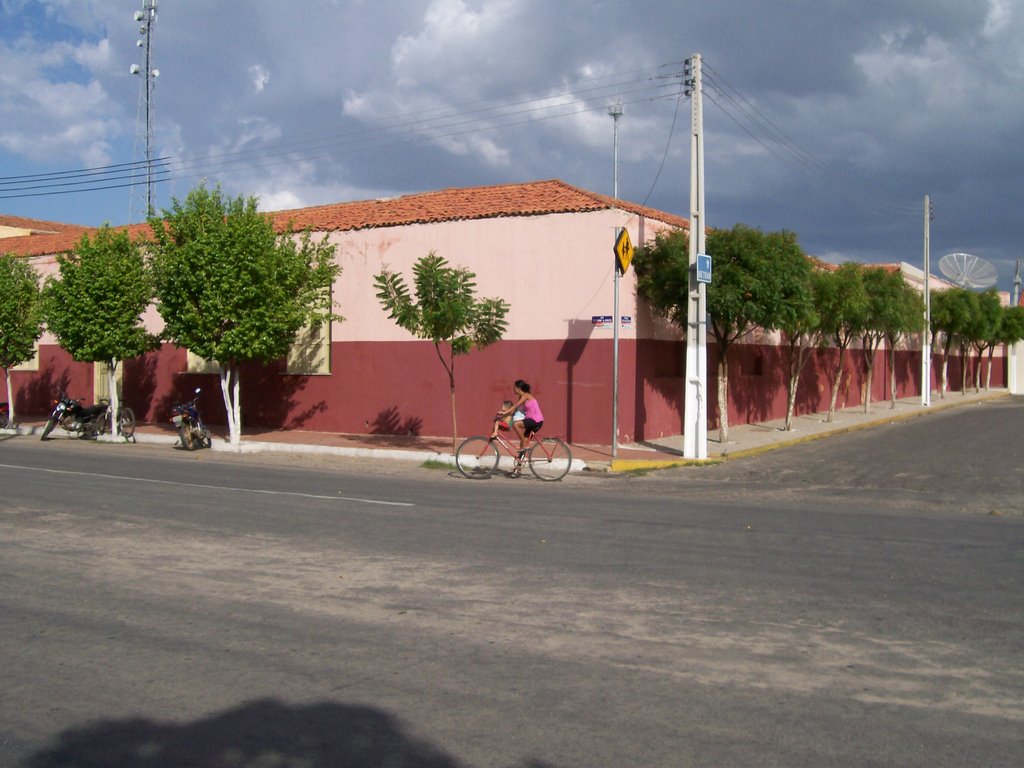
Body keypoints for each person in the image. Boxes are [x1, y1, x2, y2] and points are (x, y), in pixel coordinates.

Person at [504, 379, 544, 454]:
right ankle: (520, 462)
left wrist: (505, 412)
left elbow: (516, 405)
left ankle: (525, 445)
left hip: (536, 420)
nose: (513, 389)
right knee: (522, 443)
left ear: (518, 388)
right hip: (531, 420)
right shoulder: (521, 397)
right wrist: (505, 415)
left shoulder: (526, 395)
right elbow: (516, 409)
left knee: (516, 424)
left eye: (514, 387)